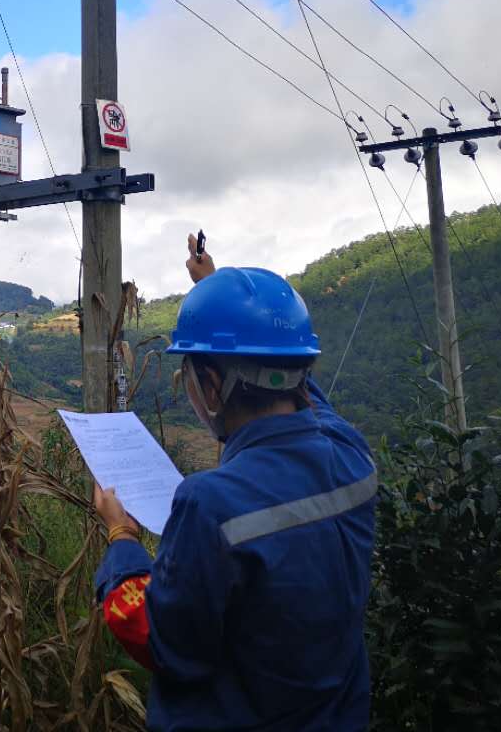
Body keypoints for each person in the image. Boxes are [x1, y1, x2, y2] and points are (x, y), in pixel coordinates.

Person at [92, 235, 377, 731]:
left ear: (210, 386)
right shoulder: (351, 453)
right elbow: (298, 386)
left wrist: (121, 541)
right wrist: (218, 293)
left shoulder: (211, 504)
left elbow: (163, 641)